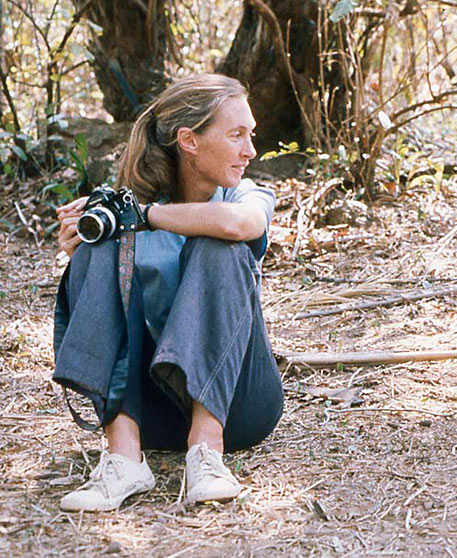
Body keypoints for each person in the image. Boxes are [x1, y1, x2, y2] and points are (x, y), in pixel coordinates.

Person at [53, 73, 284, 511]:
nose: (250, 151)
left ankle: (207, 451)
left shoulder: (245, 195)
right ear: (189, 141)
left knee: (219, 244)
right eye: (236, 135)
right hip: (154, 414)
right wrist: (80, 250)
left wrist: (146, 216)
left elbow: (240, 225)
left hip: (240, 406)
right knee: (97, 249)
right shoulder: (126, 211)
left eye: (250, 135)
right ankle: (124, 458)